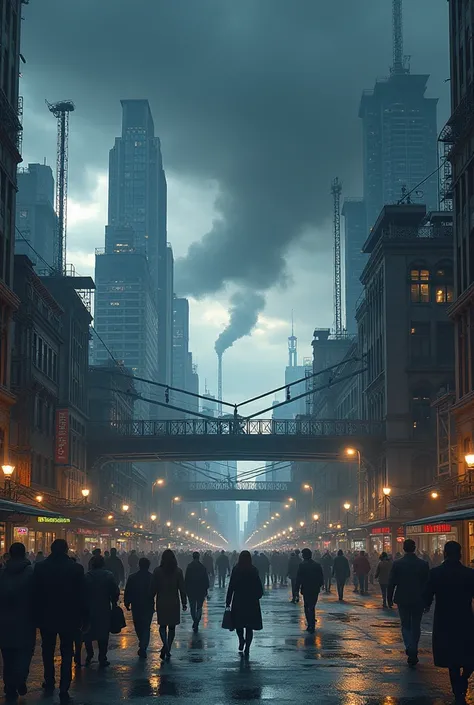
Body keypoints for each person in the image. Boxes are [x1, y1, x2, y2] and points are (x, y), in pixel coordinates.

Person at [33, 539, 87, 703]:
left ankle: (49, 680)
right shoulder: (76, 568)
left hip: (46, 615)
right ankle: (64, 686)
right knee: (66, 650)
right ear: (66, 550)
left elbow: (35, 593)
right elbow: (82, 595)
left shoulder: (40, 568)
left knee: (47, 649)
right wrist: (85, 616)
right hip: (69, 616)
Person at [424, 541, 474, 703]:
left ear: (445, 554)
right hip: (465, 618)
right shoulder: (469, 573)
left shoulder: (436, 573)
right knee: (468, 652)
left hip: (444, 619)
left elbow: (427, 595)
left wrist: (425, 605)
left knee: (452, 657)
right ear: (460, 554)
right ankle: (464, 678)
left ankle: (457, 689)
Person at [0, 543, 35, 700]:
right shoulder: (31, 573)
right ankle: (20, 678)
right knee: (25, 652)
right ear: (25, 554)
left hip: (4, 621)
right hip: (25, 620)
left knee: (8, 656)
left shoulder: (2, 574)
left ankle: (9, 686)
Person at [388, 538, 429, 667]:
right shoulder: (423, 564)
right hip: (418, 599)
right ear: (415, 548)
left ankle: (410, 646)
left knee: (405, 624)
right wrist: (428, 601)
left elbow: (391, 582)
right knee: (416, 624)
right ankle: (413, 647)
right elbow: (427, 584)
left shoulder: (397, 564)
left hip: (402, 598)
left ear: (404, 549)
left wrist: (389, 598)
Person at [83, 555, 120, 667]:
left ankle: (89, 654)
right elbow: (114, 591)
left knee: (88, 632)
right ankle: (102, 657)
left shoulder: (87, 576)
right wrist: (114, 602)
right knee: (103, 633)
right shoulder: (108, 575)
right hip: (104, 607)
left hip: (89, 607)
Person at [226, 550, 263, 659]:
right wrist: (258, 595)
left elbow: (231, 586)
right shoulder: (253, 570)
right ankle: (247, 647)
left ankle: (241, 640)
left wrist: (228, 601)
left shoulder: (236, 569)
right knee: (249, 626)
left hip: (239, 600)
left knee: (239, 624)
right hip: (251, 601)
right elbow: (258, 585)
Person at [151, 549, 187, 661]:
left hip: (161, 601)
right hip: (174, 602)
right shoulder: (178, 571)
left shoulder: (157, 571)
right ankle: (168, 647)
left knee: (162, 626)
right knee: (172, 627)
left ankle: (165, 645)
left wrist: (151, 601)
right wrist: (184, 602)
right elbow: (182, 588)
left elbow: (153, 588)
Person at [124, 556, 154, 658]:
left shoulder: (132, 577)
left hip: (136, 605)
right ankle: (143, 645)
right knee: (146, 626)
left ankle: (142, 643)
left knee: (138, 625)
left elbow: (127, 590)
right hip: (148, 605)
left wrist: (126, 602)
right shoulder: (152, 577)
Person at [295, 548, 324, 633]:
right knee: (312, 606)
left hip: (306, 588)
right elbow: (321, 577)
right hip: (315, 589)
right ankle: (312, 624)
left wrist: (296, 589)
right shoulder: (317, 565)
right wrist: (319, 585)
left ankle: (310, 623)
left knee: (306, 606)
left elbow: (298, 578)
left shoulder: (302, 565)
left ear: (304, 555)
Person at [185, 552, 209, 632]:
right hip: (200, 590)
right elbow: (206, 579)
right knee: (199, 607)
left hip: (191, 590)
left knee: (192, 607)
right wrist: (206, 589)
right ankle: (196, 622)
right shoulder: (202, 567)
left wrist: (186, 589)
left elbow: (186, 579)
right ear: (199, 557)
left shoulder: (189, 566)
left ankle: (194, 620)